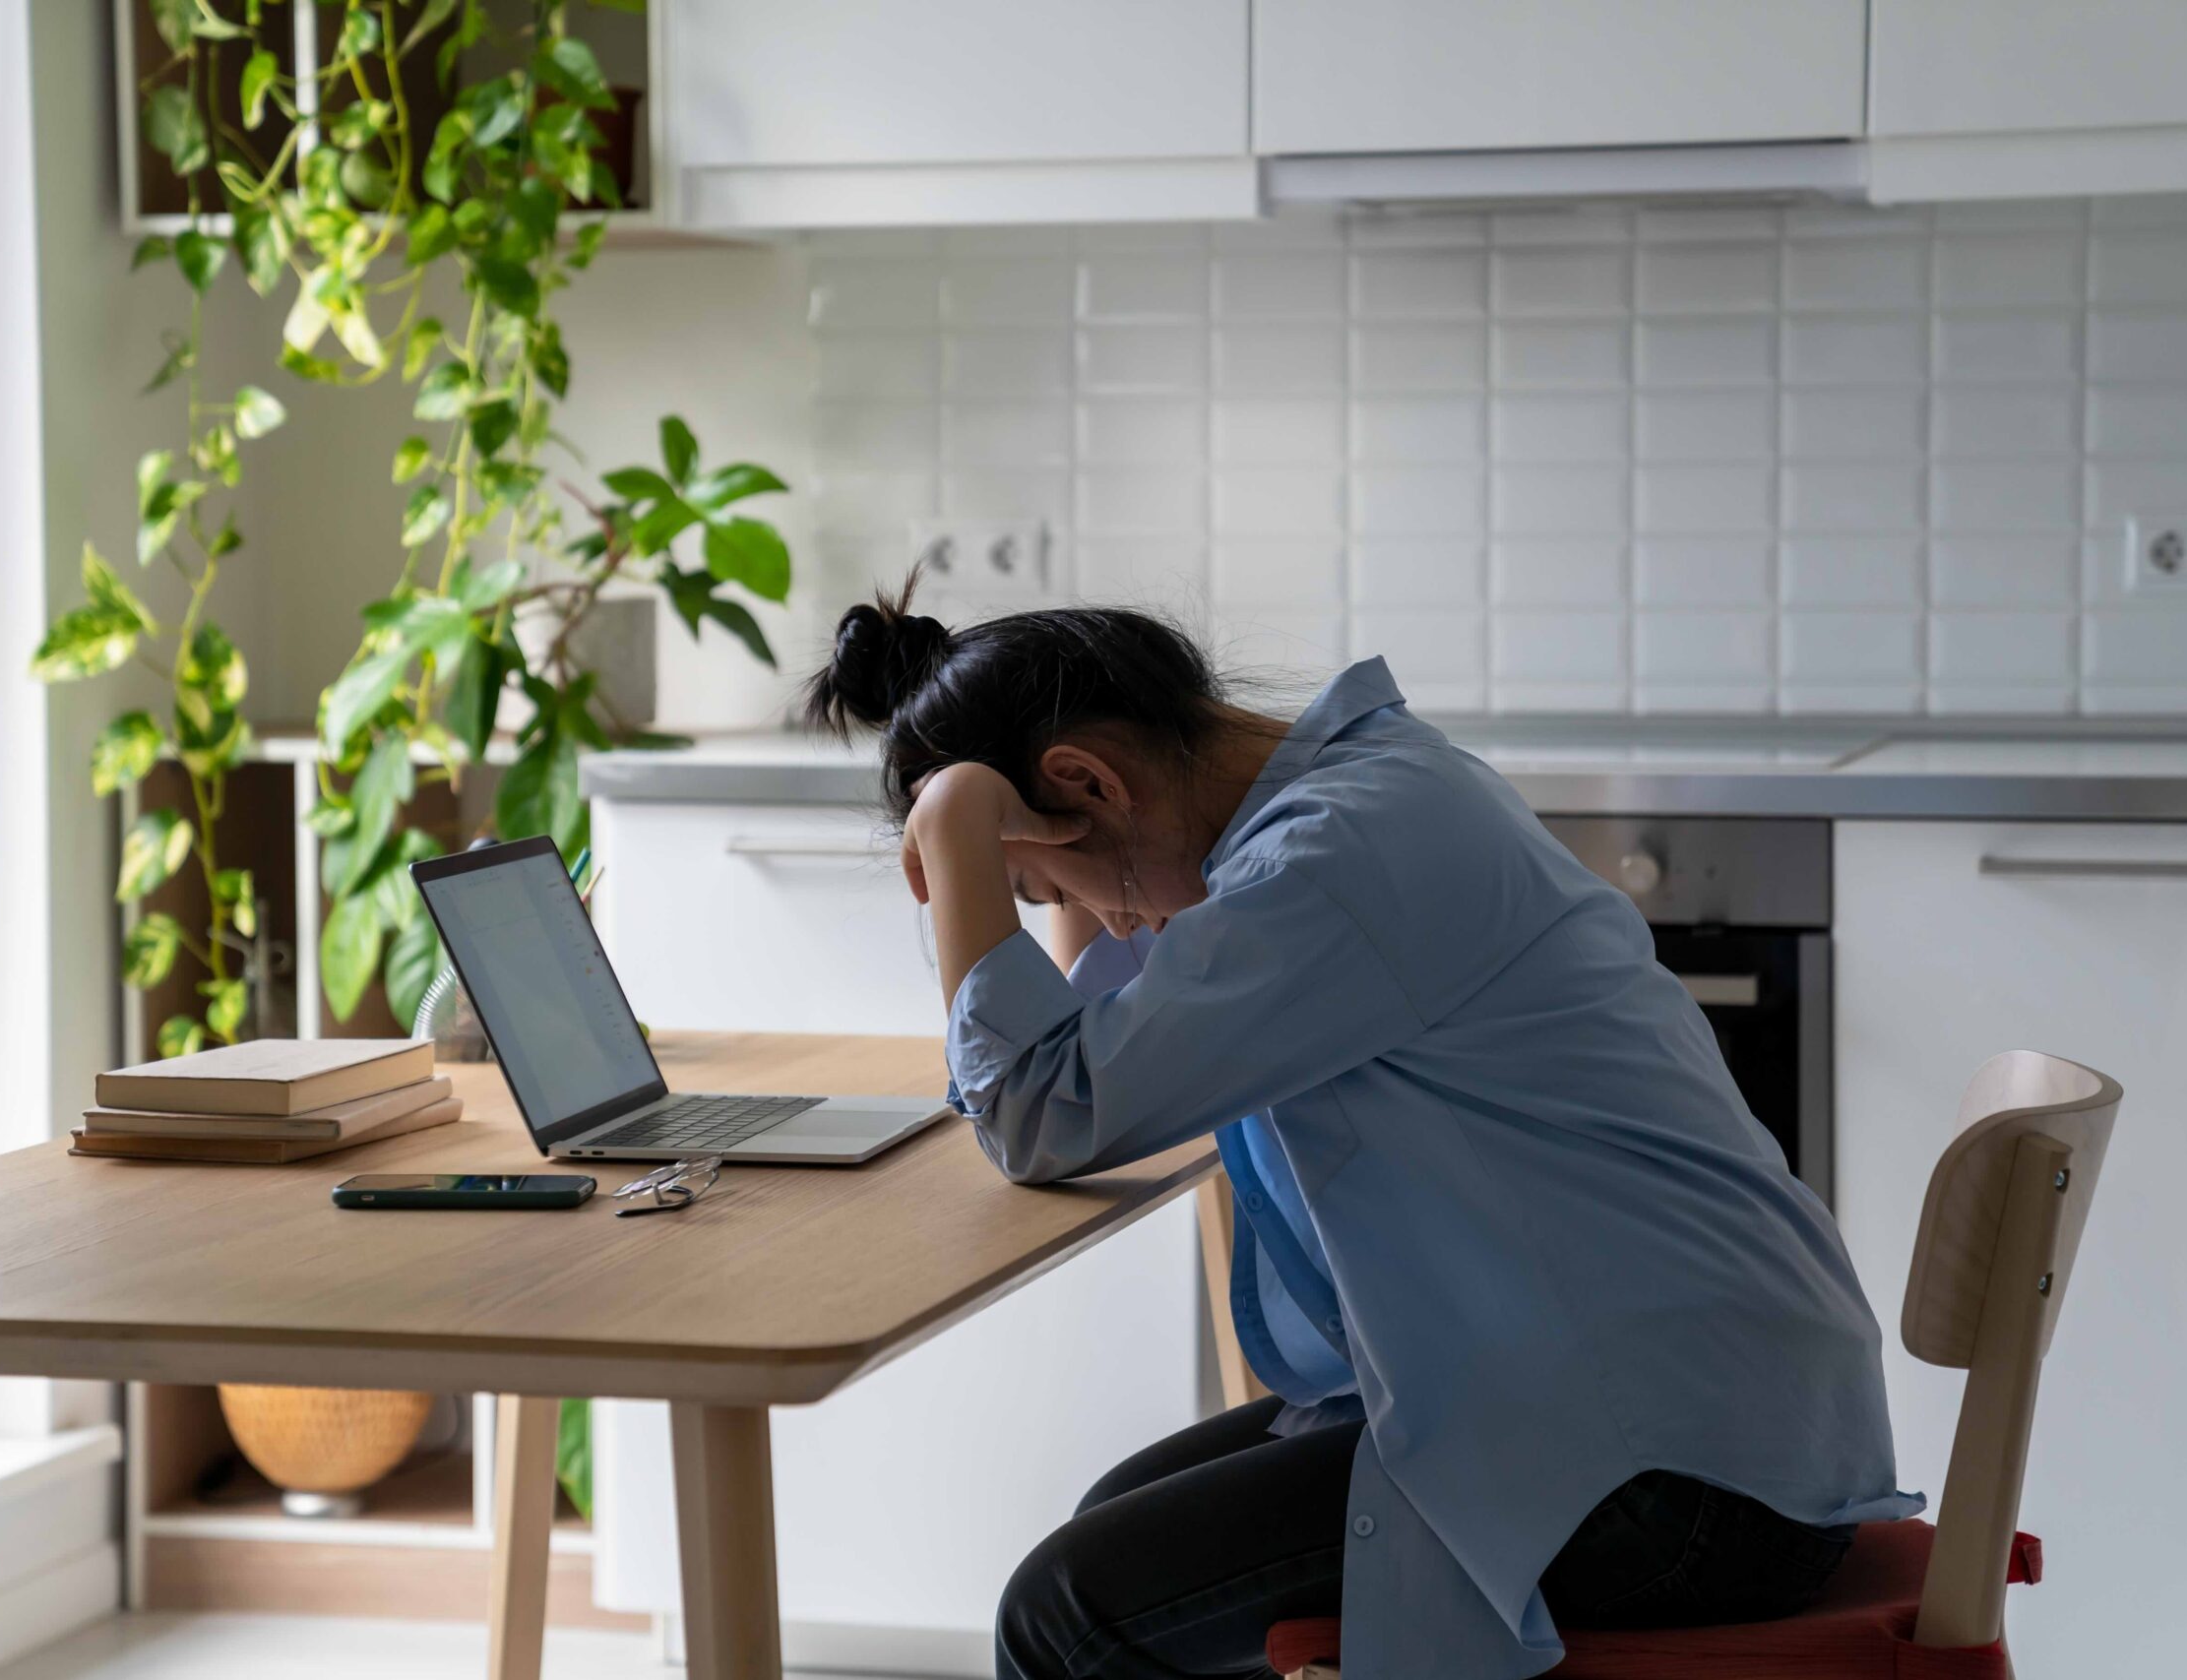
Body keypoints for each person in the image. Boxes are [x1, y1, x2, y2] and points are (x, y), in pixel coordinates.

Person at [803, 577, 1921, 1680]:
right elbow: (1104, 1041)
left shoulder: (1327, 860)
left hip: (1681, 1480)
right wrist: (1034, 858)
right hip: (1699, 1409)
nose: (1093, 920)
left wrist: (954, 827)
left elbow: (1037, 1116)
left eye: (1053, 891)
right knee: (1114, 1530)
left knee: (1066, 1618)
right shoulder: (1359, 796)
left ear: (1087, 781)